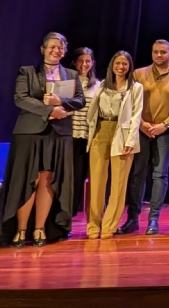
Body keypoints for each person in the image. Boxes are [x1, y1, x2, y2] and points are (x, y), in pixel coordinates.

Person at [0, 32, 85, 247]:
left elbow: (79, 100)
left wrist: (60, 101)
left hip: (59, 134)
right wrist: (49, 111)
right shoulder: (28, 71)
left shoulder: (70, 73)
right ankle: (21, 229)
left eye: (60, 47)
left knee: (47, 180)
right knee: (28, 181)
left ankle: (40, 228)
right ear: (43, 49)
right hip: (29, 133)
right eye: (52, 47)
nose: (56, 50)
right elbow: (20, 98)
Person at [118, 39, 169, 235]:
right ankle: (132, 219)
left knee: (160, 174)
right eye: (155, 52)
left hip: (167, 130)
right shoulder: (139, 73)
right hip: (141, 129)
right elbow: (129, 101)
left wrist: (164, 125)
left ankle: (153, 220)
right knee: (137, 174)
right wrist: (142, 123)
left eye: (163, 52)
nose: (159, 55)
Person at [86, 51, 143, 239]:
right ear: (112, 65)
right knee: (96, 182)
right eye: (118, 63)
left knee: (118, 183)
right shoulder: (102, 85)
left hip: (122, 134)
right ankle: (93, 225)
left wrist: (131, 140)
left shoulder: (135, 88)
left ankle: (109, 225)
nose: (121, 67)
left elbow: (136, 115)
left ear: (129, 67)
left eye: (125, 64)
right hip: (101, 130)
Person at [70, 47, 101, 217]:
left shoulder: (97, 85)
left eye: (87, 61)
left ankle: (69, 216)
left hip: (85, 138)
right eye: (80, 60)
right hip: (67, 137)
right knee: (63, 179)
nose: (84, 64)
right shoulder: (66, 81)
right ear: (74, 62)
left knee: (77, 179)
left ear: (92, 63)